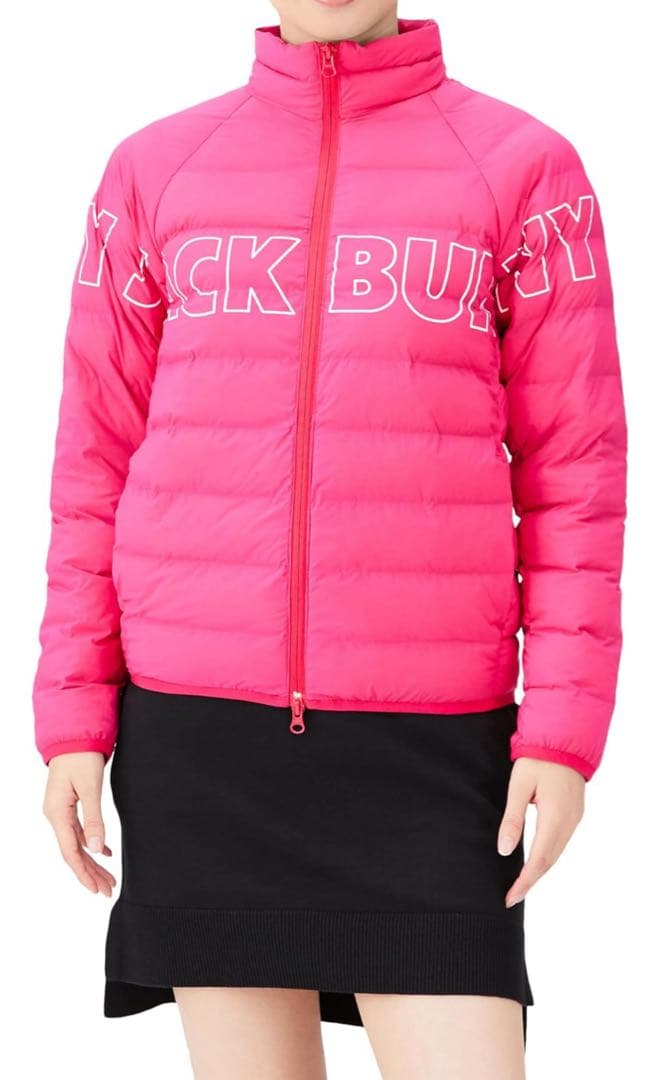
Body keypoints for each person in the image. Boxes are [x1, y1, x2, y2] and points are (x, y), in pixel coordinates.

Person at [33, 1, 627, 1077]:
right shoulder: (154, 171)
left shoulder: (524, 170)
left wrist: (562, 730)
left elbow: (577, 474)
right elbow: (93, 463)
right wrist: (73, 714)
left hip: (434, 753)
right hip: (201, 741)